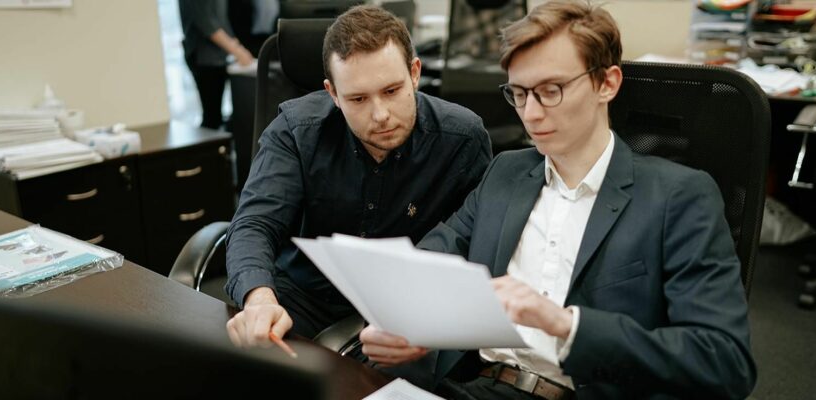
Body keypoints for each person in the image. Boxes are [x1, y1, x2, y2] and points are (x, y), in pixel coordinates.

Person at [358, 1, 757, 398]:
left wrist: (564, 324)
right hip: (477, 386)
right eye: (519, 94)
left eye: (550, 91)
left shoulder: (679, 196)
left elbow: (724, 362)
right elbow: (434, 258)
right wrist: (403, 320)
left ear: (607, 83)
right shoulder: (506, 173)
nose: (530, 114)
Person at [224, 4, 492, 353]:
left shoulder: (462, 139)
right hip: (306, 297)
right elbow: (255, 223)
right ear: (333, 93)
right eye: (358, 99)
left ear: (414, 73)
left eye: (391, 91)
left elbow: (479, 244)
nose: (380, 115)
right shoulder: (297, 131)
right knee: (251, 363)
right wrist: (259, 298)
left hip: (405, 306)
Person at [178, 0, 255, 129]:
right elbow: (206, 22)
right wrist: (236, 50)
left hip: (220, 55)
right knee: (212, 117)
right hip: (204, 57)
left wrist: (234, 44)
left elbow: (221, 19)